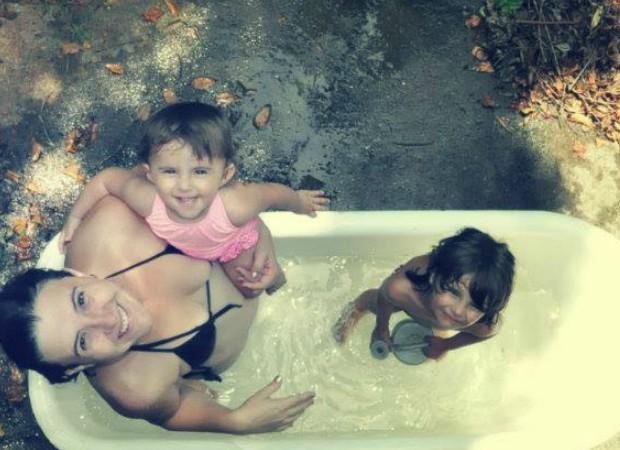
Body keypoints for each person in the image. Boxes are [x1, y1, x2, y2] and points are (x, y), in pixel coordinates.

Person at [0, 196, 315, 433]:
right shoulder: (134, 388)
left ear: (73, 273)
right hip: (233, 352)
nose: (107, 320)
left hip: (269, 278)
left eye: (81, 300)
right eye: (83, 341)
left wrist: (256, 235)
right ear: (77, 367)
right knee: (182, 390)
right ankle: (188, 381)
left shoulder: (117, 222)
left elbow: (194, 183)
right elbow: (172, 411)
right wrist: (234, 421)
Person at [59, 102, 329, 297]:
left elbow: (272, 194)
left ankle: (278, 285)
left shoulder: (236, 205)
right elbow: (106, 179)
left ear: (225, 175)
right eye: (169, 171)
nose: (184, 186)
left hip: (233, 242)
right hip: (194, 246)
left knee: (254, 287)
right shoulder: (146, 198)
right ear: (150, 174)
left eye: (200, 172)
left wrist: (299, 202)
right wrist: (75, 218)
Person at [333, 227, 515, 360]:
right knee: (373, 301)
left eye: (475, 306)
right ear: (435, 276)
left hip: (436, 302)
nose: (459, 311)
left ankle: (441, 321)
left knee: (447, 323)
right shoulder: (403, 290)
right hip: (420, 294)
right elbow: (385, 296)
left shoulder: (481, 324)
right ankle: (359, 306)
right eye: (453, 292)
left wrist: (446, 345)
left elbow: (489, 332)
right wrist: (381, 328)